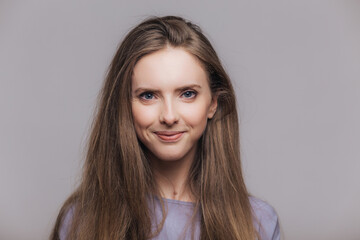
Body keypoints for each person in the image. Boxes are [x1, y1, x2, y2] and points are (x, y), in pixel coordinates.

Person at [50, 16, 280, 240]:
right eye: (148, 95)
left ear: (213, 103)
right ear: (123, 106)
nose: (169, 116)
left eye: (188, 94)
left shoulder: (258, 224)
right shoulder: (81, 220)